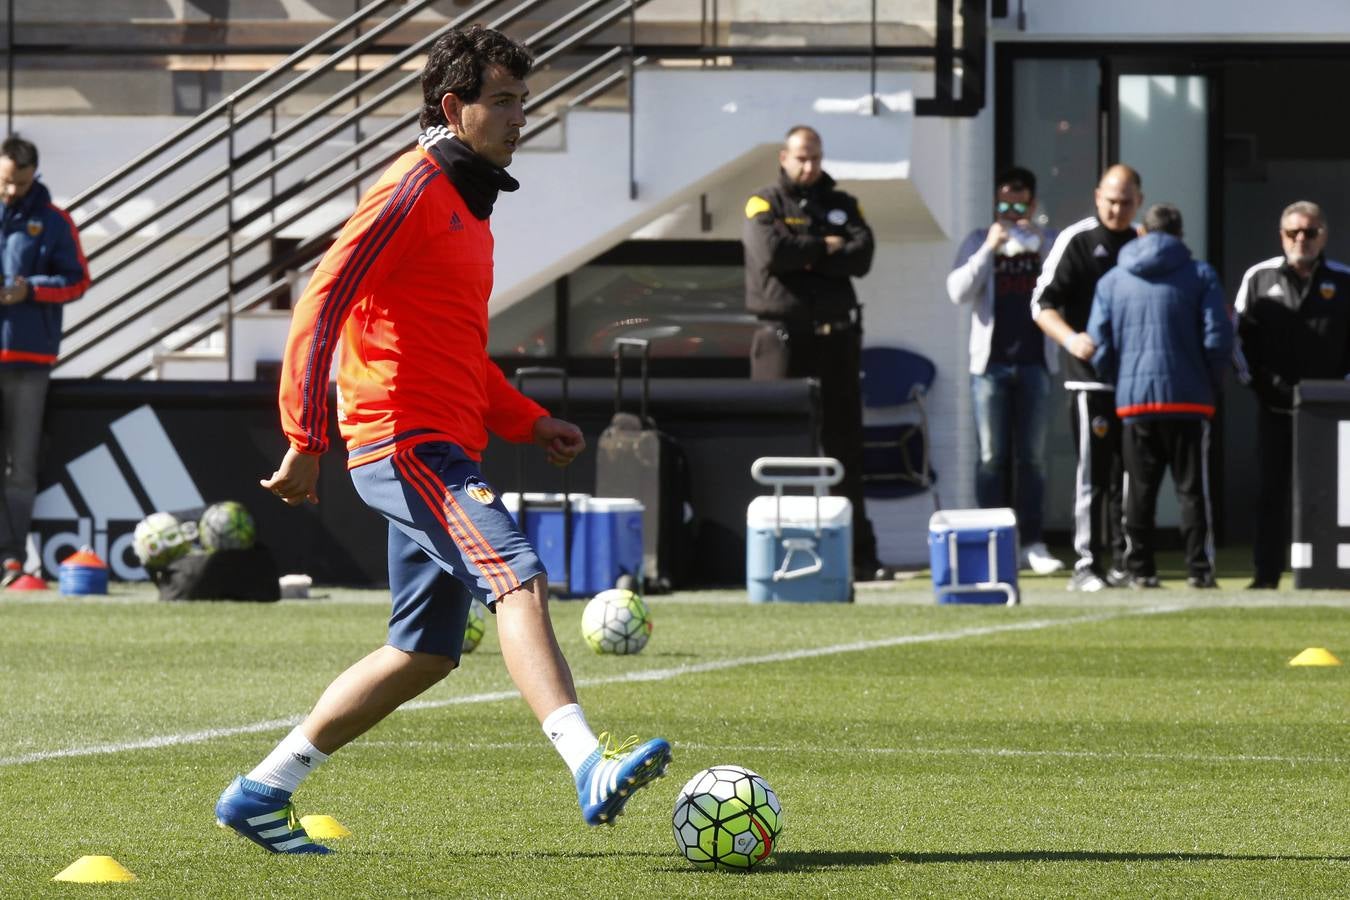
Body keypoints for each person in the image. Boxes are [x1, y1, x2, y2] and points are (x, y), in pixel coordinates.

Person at [214, 26, 671, 855]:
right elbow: (320, 303)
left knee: (423, 653)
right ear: (453, 108)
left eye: (524, 102)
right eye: (502, 102)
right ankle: (588, 763)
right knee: (518, 578)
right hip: (405, 443)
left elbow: (456, 351)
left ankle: (260, 792)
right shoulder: (412, 190)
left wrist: (528, 421)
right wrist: (305, 435)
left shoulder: (466, 204)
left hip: (441, 442)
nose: (517, 118)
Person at [743, 125, 887, 582]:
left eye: (816, 157)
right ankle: (766, 553)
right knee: (777, 444)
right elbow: (772, 253)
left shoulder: (843, 204)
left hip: (838, 338)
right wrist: (827, 247)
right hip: (782, 339)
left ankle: (859, 557)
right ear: (784, 157)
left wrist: (807, 255)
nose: (810, 166)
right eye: (802, 157)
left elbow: (862, 258)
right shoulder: (763, 202)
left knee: (844, 445)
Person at [1086, 203, 1232, 589]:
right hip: (1189, 399)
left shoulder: (1114, 280)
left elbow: (1098, 343)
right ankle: (1199, 570)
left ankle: (1140, 569)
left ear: (1142, 232)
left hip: (1135, 402)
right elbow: (1217, 336)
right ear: (1180, 234)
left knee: (1139, 491)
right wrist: (1210, 382)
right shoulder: (1200, 275)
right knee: (1193, 492)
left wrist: (1118, 378)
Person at [1030, 164, 1142, 592]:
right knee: (1093, 474)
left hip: (1136, 383)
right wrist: (1071, 339)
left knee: (1129, 476)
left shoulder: (1143, 243)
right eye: (1111, 200)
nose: (1117, 209)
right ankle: (1086, 563)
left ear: (1139, 202)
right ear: (1098, 197)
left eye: (1126, 201)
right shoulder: (1076, 241)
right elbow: (1042, 303)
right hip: (1089, 381)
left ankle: (1126, 563)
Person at [946, 166, 1063, 575]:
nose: (1012, 212)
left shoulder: (1048, 242)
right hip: (990, 365)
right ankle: (994, 539)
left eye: (1019, 204)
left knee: (1032, 457)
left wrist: (1039, 246)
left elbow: (1064, 284)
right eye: (1005, 204)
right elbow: (958, 291)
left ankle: (1032, 541)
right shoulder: (979, 239)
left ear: (1032, 204)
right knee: (992, 456)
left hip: (1035, 362)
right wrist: (989, 250)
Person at [1234, 201, 1350, 589]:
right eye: (1293, 232)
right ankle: (1265, 574)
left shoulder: (1344, 281)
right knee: (1271, 491)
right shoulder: (1258, 278)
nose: (1302, 239)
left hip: (1332, 412)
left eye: (1311, 232)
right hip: (1275, 407)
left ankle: (1335, 573)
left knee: (1336, 496)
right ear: (1281, 235)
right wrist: (1259, 384)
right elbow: (1237, 341)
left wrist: (1341, 390)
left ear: (1324, 235)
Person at [0, 135, 90, 586]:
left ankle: (11, 558)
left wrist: (29, 289)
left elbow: (77, 281)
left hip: (30, 361)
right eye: (3, 182)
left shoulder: (54, 221)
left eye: (16, 182)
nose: (9, 190)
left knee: (21, 467)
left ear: (32, 173)